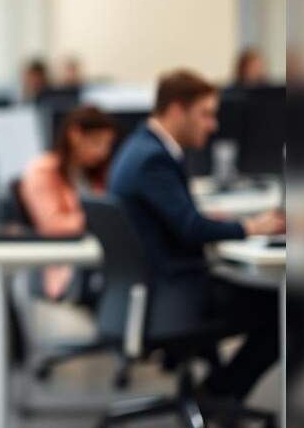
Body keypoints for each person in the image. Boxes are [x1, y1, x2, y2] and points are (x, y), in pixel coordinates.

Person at [108, 69, 285, 404]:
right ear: (177, 110)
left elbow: (178, 221)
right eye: (205, 114)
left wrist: (210, 220)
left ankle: (217, 395)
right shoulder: (153, 158)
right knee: (290, 310)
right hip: (172, 299)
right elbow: (191, 229)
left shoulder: (141, 146)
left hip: (155, 290)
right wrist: (252, 227)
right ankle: (218, 396)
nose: (213, 125)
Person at [20, 105, 116, 300]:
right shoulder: (43, 170)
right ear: (75, 135)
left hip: (96, 261)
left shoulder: (92, 174)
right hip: (63, 267)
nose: (103, 152)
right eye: (97, 143)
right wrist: (98, 220)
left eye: (107, 145)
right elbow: (52, 224)